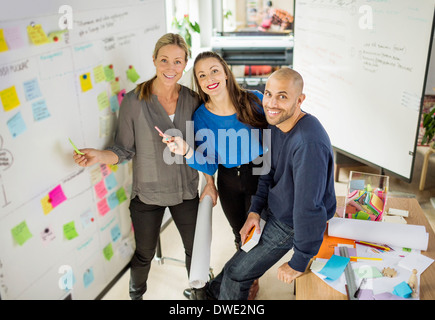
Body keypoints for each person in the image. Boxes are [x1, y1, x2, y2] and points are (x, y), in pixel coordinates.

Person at [72, 33, 217, 300]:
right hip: (147, 194)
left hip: (185, 191)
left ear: (185, 64)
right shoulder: (133, 101)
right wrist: (98, 156)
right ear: (154, 60)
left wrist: (210, 184)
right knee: (144, 254)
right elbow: (123, 150)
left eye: (177, 61)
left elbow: (203, 151)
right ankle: (136, 294)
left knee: (195, 250)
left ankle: (200, 296)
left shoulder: (193, 101)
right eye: (164, 60)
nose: (170, 68)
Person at [204, 67, 337, 300]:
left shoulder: (308, 144)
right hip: (277, 208)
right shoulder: (276, 125)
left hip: (291, 221)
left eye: (282, 96)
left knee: (237, 273)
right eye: (268, 94)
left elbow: (310, 209)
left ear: (300, 100)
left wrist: (299, 261)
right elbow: (267, 172)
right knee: (239, 262)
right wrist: (255, 211)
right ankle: (212, 294)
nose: (271, 103)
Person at [163, 51, 268, 299]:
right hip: (229, 179)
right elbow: (209, 163)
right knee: (239, 234)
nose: (209, 77)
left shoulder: (254, 100)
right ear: (198, 83)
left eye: (213, 70)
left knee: (258, 234)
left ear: (225, 72)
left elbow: (278, 137)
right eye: (201, 75)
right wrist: (188, 152)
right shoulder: (201, 117)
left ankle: (248, 280)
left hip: (259, 173)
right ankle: (245, 279)